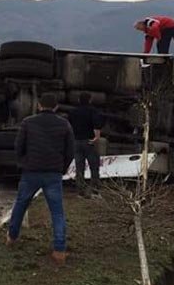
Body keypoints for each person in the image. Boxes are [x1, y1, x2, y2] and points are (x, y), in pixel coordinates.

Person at [6, 93, 75, 265]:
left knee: (21, 205)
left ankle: (12, 237)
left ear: (39, 105)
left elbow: (18, 146)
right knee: (57, 212)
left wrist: (23, 162)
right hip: (53, 174)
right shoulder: (64, 124)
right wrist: (62, 168)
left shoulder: (28, 122)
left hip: (31, 172)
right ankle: (59, 250)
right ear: (56, 107)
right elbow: (70, 150)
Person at [68, 92, 104, 198]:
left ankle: (80, 192)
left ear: (79, 100)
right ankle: (95, 191)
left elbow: (68, 125)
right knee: (94, 167)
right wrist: (96, 137)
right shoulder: (93, 111)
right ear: (90, 100)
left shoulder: (73, 111)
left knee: (79, 167)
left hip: (76, 141)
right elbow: (96, 124)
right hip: (89, 141)